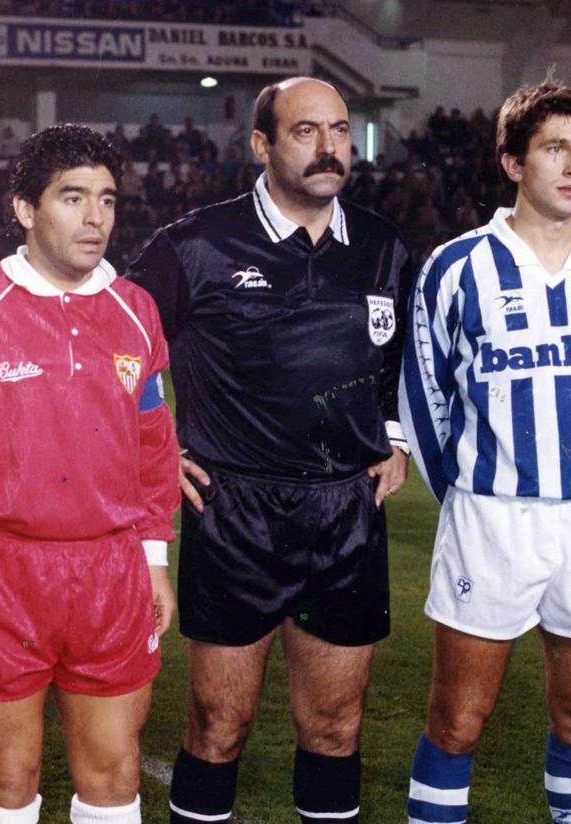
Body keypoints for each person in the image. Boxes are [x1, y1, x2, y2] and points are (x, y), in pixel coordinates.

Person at [125, 76, 413, 824]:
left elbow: (398, 359)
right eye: (305, 131)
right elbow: (112, 349)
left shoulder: (381, 246)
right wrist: (149, 449)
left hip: (348, 510)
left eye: (342, 131)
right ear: (261, 144)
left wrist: (395, 435)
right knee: (220, 728)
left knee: (336, 728)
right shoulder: (195, 245)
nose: (329, 148)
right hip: (235, 511)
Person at [0, 123, 178, 824]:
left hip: (109, 572)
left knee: (113, 776)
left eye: (107, 200)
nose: (95, 218)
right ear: (25, 209)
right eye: (73, 198)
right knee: (9, 778)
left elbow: (152, 448)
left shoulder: (135, 311)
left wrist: (153, 559)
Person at [400, 80, 571, 824]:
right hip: (492, 519)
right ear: (512, 161)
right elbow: (423, 398)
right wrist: (477, 491)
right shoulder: (456, 267)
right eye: (555, 148)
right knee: (458, 724)